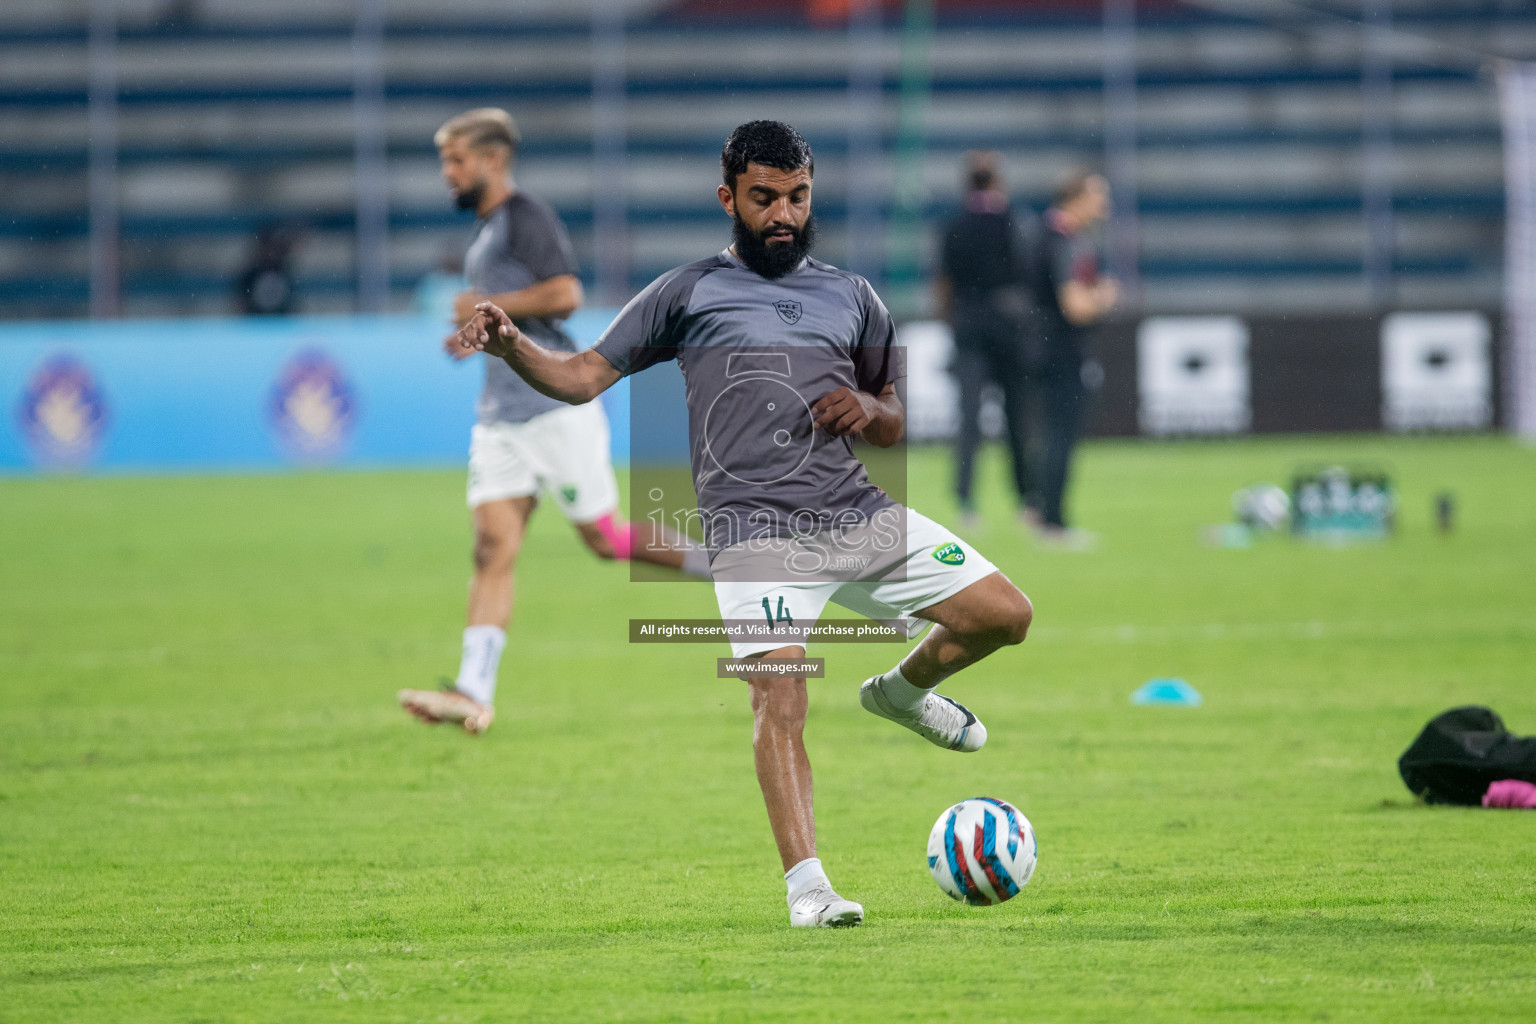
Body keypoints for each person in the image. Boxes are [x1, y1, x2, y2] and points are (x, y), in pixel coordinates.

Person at [453, 120, 1033, 928]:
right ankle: (809, 889)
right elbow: (582, 376)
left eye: (797, 197)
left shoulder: (852, 295)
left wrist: (869, 406)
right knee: (779, 693)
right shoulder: (685, 293)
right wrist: (514, 346)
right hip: (755, 536)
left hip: (855, 514)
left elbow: (895, 420)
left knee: (1007, 616)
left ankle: (900, 693)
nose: (783, 214)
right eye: (765, 198)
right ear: (729, 198)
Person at [397, 107, 709, 736]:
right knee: (491, 548)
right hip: (500, 417)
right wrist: (475, 333)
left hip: (551, 409)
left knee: (606, 541)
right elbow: (510, 314)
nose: (447, 175)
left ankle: (734, 564)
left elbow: (564, 293)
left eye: (455, 161)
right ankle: (472, 691)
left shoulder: (524, 217)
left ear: (491, 160)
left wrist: (492, 308)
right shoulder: (486, 232)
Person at [935, 151, 1040, 529]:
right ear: (997, 182)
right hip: (1009, 329)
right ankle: (1027, 500)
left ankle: (966, 502)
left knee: (968, 421)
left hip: (969, 328)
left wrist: (953, 322)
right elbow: (1028, 276)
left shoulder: (953, 225)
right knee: (1017, 418)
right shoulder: (1014, 222)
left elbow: (943, 284)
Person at [1030, 169, 1118, 546]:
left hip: (1044, 348)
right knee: (1060, 435)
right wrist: (1103, 298)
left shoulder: (1048, 235)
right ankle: (1054, 522)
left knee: (1050, 433)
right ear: (1076, 197)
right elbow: (1075, 306)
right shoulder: (1064, 241)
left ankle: (1042, 513)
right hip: (1062, 352)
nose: (1104, 204)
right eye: (1099, 195)